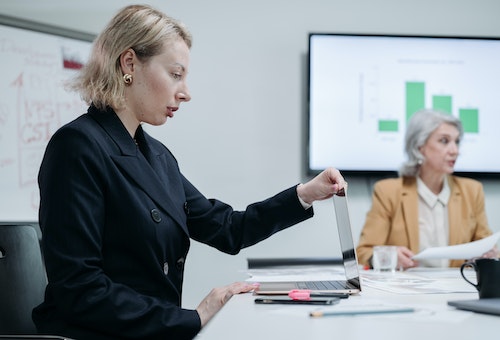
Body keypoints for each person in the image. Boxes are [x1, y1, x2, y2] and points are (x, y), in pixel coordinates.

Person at [32, 4, 347, 340]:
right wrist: (194, 318)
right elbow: (80, 289)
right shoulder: (78, 146)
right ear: (129, 64)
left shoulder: (157, 156)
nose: (185, 92)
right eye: (175, 74)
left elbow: (227, 229)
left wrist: (305, 194)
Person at [356, 109, 497, 270]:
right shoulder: (388, 191)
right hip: (406, 291)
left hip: (458, 289)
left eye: (456, 142)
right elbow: (363, 252)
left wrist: (489, 256)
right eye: (444, 141)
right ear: (420, 146)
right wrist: (391, 257)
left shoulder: (472, 191)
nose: (455, 151)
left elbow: (487, 247)